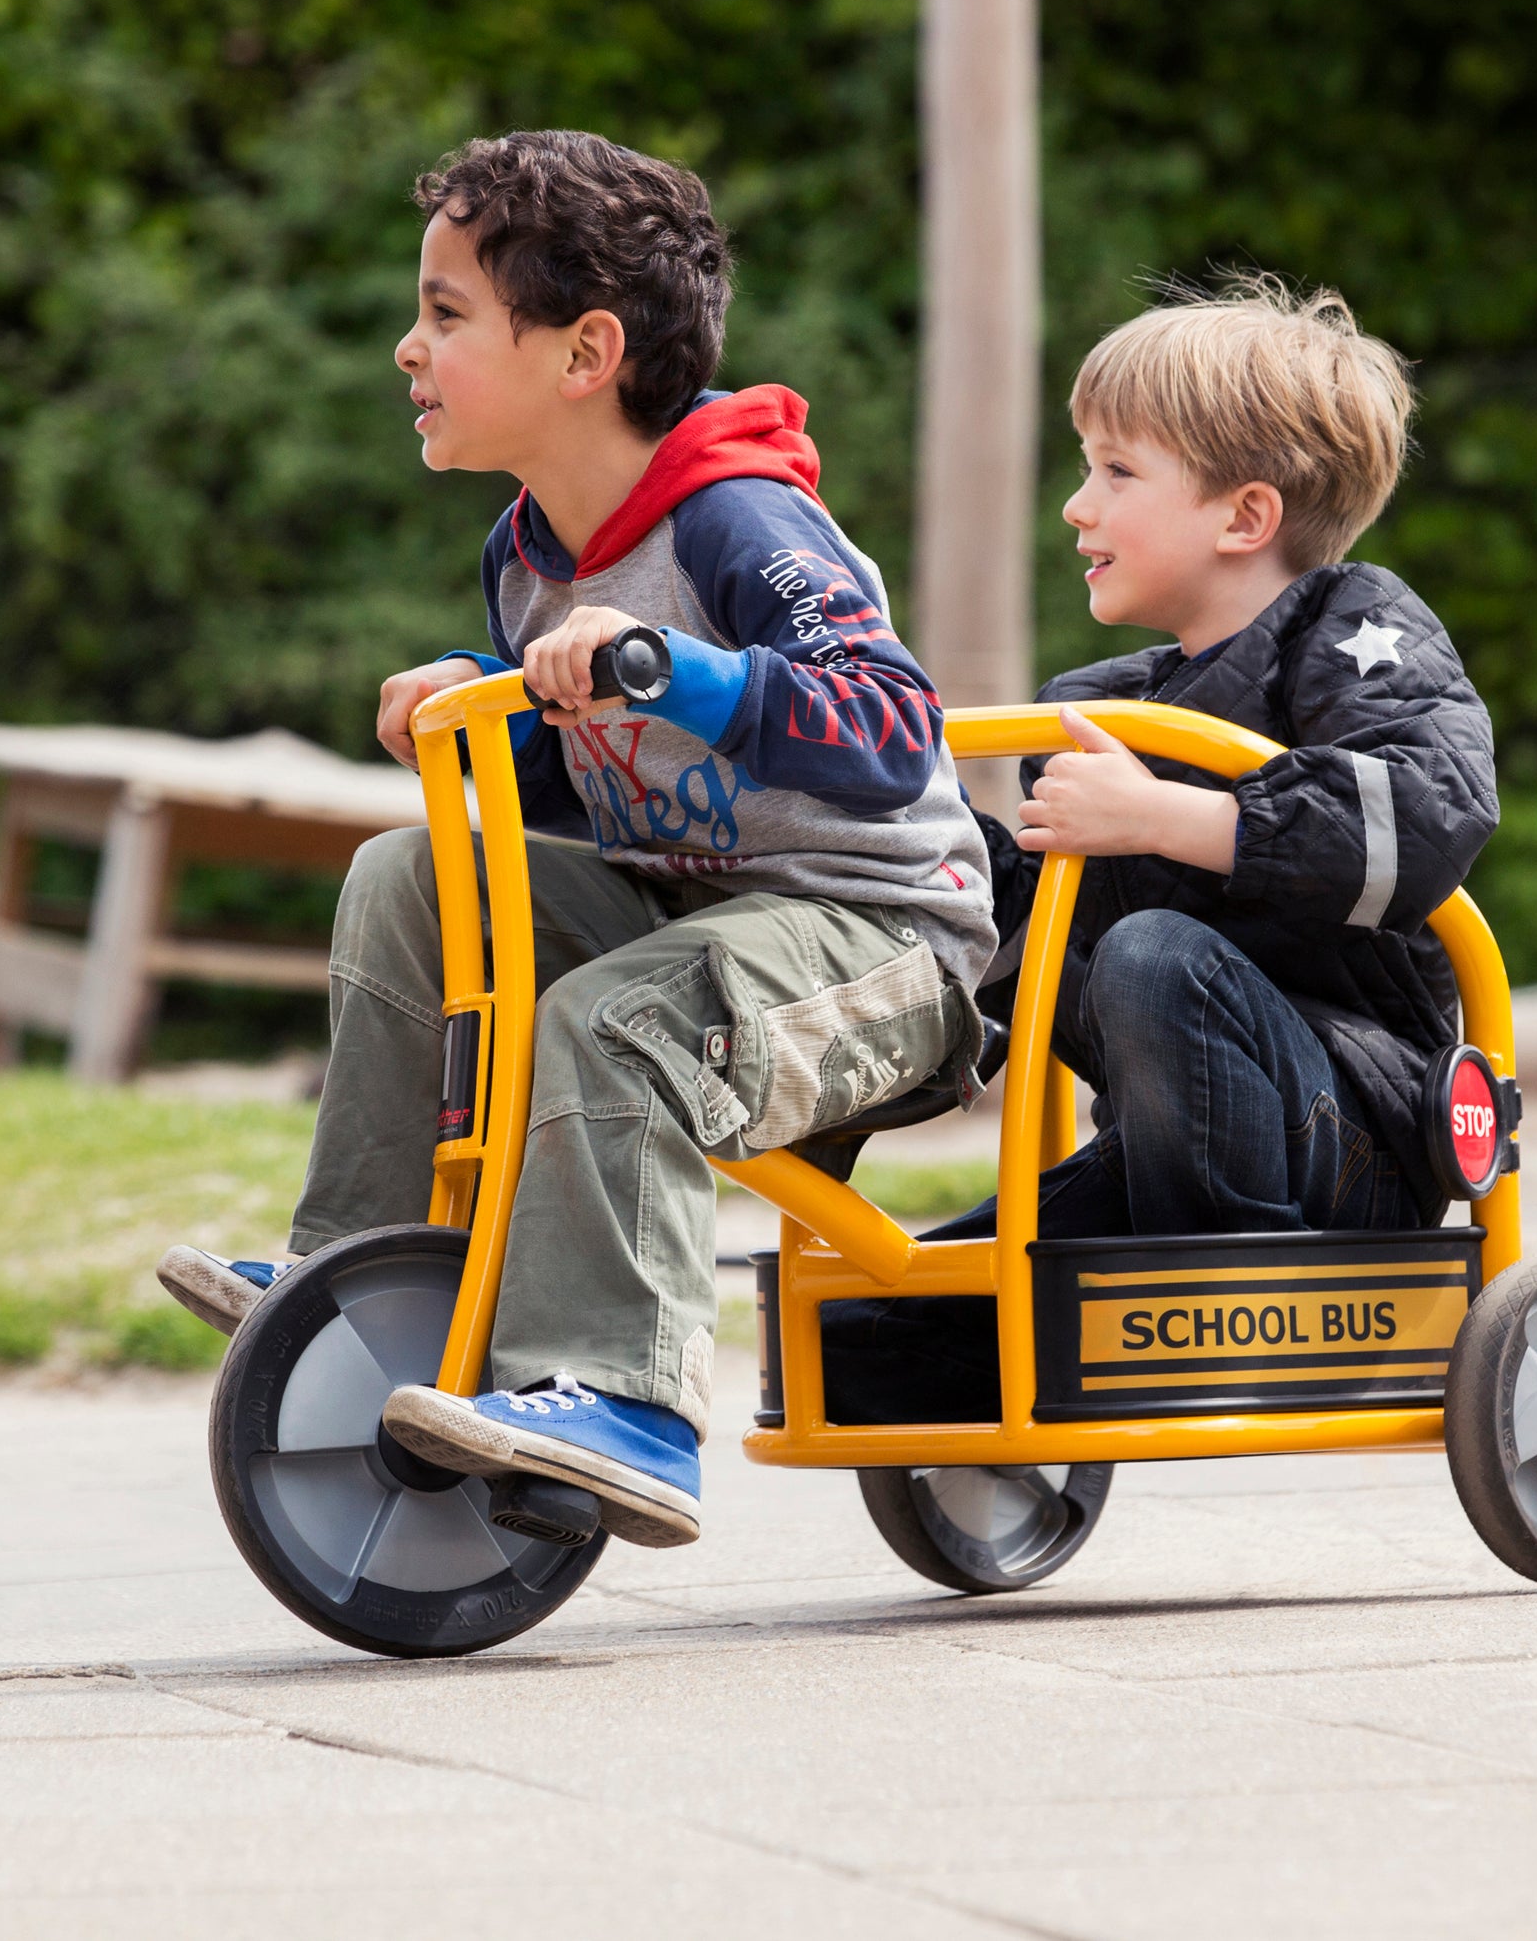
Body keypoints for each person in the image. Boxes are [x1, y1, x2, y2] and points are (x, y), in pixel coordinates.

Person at [158, 129, 994, 1546]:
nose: (407, 351)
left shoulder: (742, 521)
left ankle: (629, 1401)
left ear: (584, 352)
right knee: (406, 874)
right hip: (692, 917)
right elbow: (591, 772)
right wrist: (487, 710)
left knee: (617, 1020)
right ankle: (359, 1264)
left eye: (445, 314)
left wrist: (675, 667)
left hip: (882, 947)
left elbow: (891, 723)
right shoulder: (528, 552)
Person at [937, 278, 1497, 1245]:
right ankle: (1177, 1286)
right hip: (1165, 1155)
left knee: (1157, 956)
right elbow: (1043, 946)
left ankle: (1232, 1305)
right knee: (860, 1338)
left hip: (1353, 1130)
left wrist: (1161, 819)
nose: (1077, 507)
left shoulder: (1355, 627)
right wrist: (915, 844)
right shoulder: (1105, 708)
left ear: (1244, 518)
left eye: (1117, 472)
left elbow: (1429, 812)